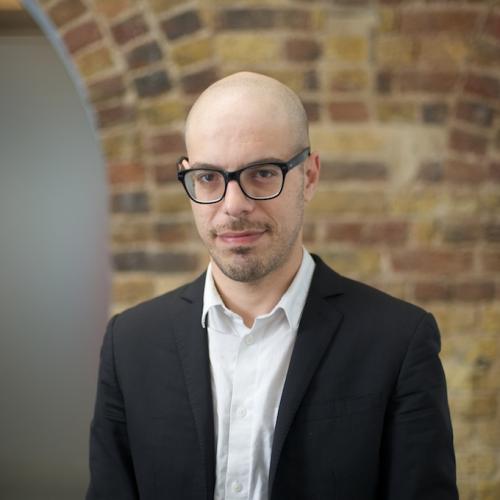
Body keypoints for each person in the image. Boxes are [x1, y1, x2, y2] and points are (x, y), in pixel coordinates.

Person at [86, 72, 458, 500]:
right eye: (208, 177)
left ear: (309, 176)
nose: (233, 205)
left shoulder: (398, 341)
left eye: (262, 173)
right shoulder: (130, 343)